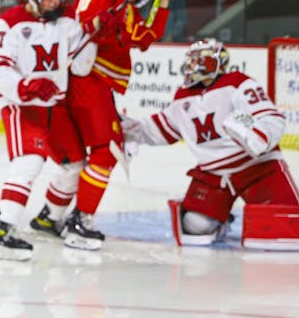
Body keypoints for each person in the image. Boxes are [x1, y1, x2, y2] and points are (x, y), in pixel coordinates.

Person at [31, 0, 184, 249]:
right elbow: (88, 22)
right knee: (105, 152)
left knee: (79, 161)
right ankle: (81, 223)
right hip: (87, 82)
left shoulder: (122, 5)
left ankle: (50, 216)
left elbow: (146, 36)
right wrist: (100, 21)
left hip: (91, 84)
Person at [123, 39, 298, 244]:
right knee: (194, 226)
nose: (192, 65)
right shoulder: (182, 97)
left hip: (257, 168)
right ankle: (221, 220)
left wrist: (261, 137)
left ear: (216, 63)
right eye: (191, 60)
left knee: (285, 224)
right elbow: (158, 130)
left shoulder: (238, 83)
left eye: (199, 60)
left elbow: (271, 118)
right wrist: (125, 128)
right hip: (214, 175)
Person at [0, 0, 94, 260]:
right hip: (23, 106)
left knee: (74, 164)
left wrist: (94, 34)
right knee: (29, 161)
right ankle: (2, 231)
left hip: (54, 106)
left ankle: (50, 217)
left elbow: (82, 66)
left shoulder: (69, 21)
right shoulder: (9, 23)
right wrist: (28, 87)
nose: (55, 2)